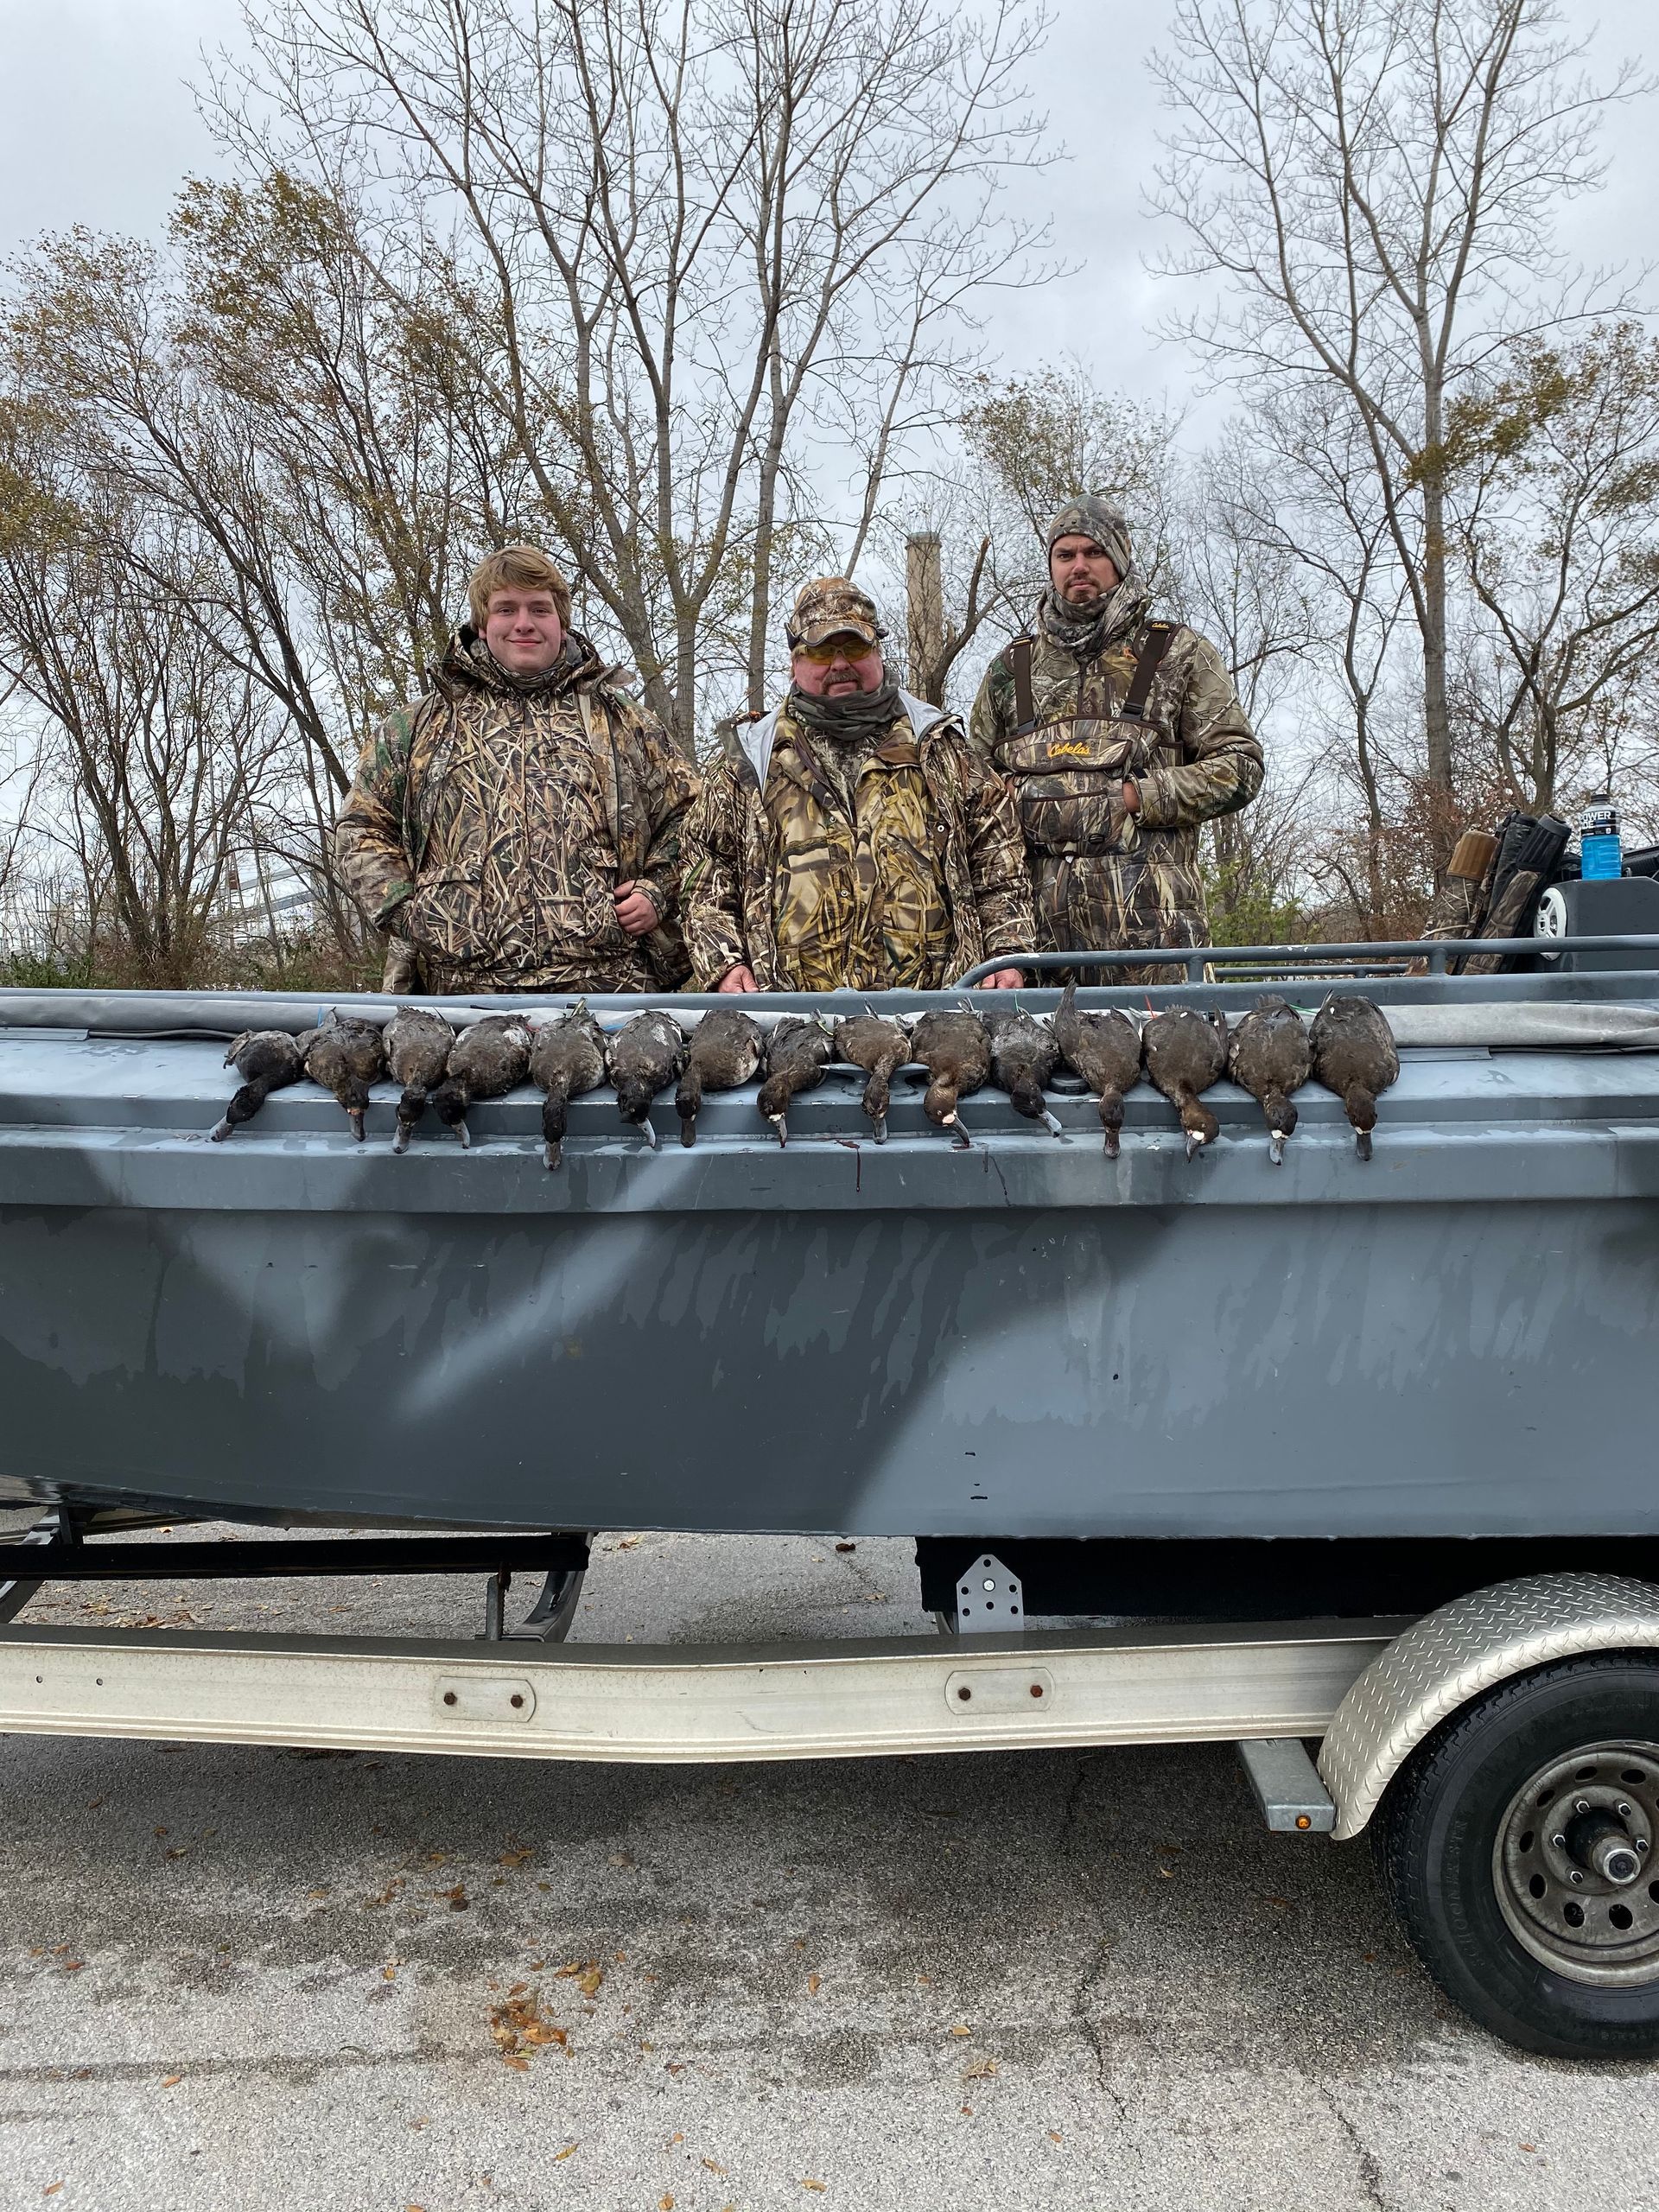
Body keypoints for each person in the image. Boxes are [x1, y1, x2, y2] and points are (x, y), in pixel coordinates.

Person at [335, 545, 699, 995]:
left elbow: (693, 819)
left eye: (539, 609)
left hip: (613, 987)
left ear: (561, 622)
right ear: (482, 625)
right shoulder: (416, 727)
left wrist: (656, 891)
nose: (524, 623)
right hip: (460, 993)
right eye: (506, 609)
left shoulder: (625, 722)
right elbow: (362, 827)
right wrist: (407, 911)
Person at [683, 577, 1035, 993]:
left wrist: (1006, 954)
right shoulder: (750, 758)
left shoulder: (939, 745)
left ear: (877, 652)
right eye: (820, 651)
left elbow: (999, 862)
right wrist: (724, 962)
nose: (839, 664)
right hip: (791, 1015)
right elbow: (704, 870)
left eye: (853, 648)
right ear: (795, 662)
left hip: (937, 1009)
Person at [969, 497, 1262, 977]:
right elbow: (971, 798)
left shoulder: (1177, 652)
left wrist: (1135, 797)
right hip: (1034, 960)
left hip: (1157, 953)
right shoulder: (1010, 669)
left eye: (1094, 552)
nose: (1079, 566)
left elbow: (1240, 767)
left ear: (1120, 559)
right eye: (1065, 555)